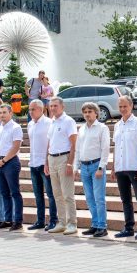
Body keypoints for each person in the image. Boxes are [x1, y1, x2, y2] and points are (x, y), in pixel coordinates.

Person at [111, 95, 137, 240]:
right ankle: (128, 228)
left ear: (131, 106)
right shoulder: (117, 125)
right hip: (121, 168)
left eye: (125, 106)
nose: (122, 109)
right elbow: (116, 147)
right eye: (120, 106)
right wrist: (114, 167)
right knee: (125, 200)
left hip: (134, 167)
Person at [74, 102, 110, 237]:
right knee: (89, 198)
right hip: (84, 166)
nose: (87, 114)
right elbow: (78, 149)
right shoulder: (82, 129)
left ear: (96, 113)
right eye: (85, 112)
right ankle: (95, 224)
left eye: (90, 111)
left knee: (99, 198)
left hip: (96, 166)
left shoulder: (102, 128)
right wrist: (76, 167)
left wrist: (101, 167)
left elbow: (105, 149)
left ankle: (102, 226)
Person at [45, 97, 78, 235]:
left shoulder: (68, 121)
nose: (52, 108)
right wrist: (46, 162)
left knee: (67, 194)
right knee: (57, 194)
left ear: (62, 107)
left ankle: (72, 224)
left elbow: (73, 144)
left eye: (55, 106)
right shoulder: (52, 122)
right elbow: (49, 143)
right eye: (51, 106)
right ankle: (62, 222)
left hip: (64, 159)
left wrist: (70, 163)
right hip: (52, 159)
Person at [27, 100, 58, 231]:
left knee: (51, 194)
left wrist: (47, 161)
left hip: (45, 163)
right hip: (33, 163)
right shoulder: (30, 124)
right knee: (38, 194)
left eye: (33, 109)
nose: (31, 112)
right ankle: (40, 220)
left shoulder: (49, 123)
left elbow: (51, 144)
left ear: (41, 109)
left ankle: (53, 220)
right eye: (29, 109)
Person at [0, 104, 24, 231]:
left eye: (4, 112)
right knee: (4, 193)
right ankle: (8, 219)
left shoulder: (16, 127)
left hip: (10, 162)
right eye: (0, 112)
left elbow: (16, 146)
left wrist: (4, 160)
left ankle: (18, 221)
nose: (2, 115)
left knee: (14, 192)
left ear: (11, 113)